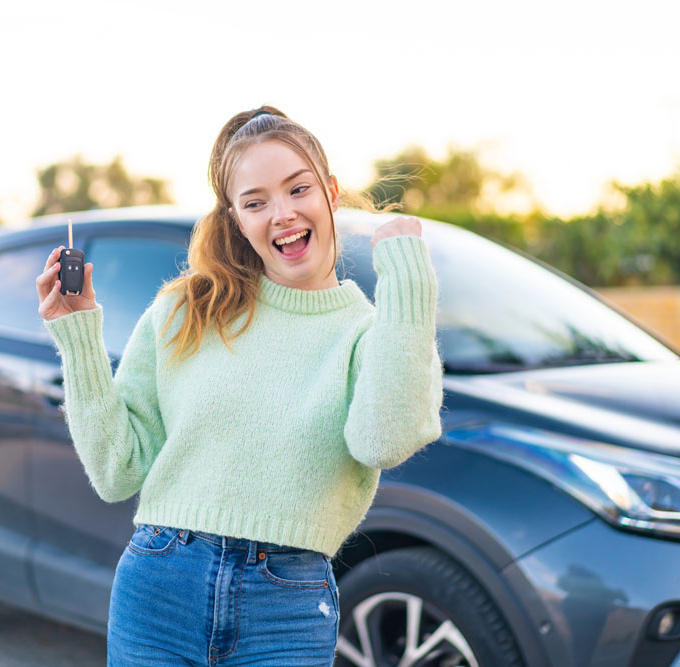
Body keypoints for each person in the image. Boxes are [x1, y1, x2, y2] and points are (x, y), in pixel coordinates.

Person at [35, 106, 444, 666]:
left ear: (330, 191)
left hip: (286, 608)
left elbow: (385, 440)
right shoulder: (185, 309)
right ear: (235, 218)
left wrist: (408, 277)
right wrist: (77, 335)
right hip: (158, 587)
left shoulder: (368, 333)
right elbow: (115, 472)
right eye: (255, 202)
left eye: (298, 189)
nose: (282, 214)